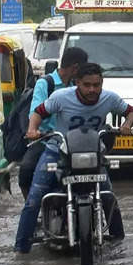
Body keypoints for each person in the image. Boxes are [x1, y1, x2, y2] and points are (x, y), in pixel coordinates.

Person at [14, 62, 133, 254]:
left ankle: (119, 245)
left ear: (102, 83)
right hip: (58, 151)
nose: (92, 90)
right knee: (34, 199)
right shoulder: (60, 97)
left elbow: (131, 112)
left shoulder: (110, 98)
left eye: (96, 85)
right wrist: (32, 130)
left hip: (93, 154)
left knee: (108, 197)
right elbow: (38, 113)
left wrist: (127, 124)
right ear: (77, 83)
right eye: (87, 85)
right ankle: (20, 250)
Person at [18, 46, 86, 198]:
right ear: (75, 68)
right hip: (45, 140)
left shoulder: (78, 86)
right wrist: (35, 131)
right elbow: (35, 111)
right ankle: (33, 211)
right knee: (26, 171)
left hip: (72, 142)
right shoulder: (45, 83)